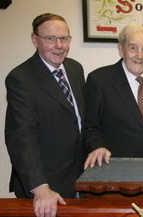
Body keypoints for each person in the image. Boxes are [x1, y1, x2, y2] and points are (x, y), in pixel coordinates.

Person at [5, 13, 86, 217]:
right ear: (35, 40)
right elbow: (22, 138)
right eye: (50, 39)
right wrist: (40, 188)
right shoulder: (21, 79)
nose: (59, 45)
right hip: (46, 187)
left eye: (64, 38)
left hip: (79, 179)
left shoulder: (75, 69)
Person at [84, 23, 143, 169]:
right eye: (133, 48)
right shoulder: (100, 80)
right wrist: (97, 147)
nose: (139, 55)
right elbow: (90, 126)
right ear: (121, 49)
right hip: (120, 169)